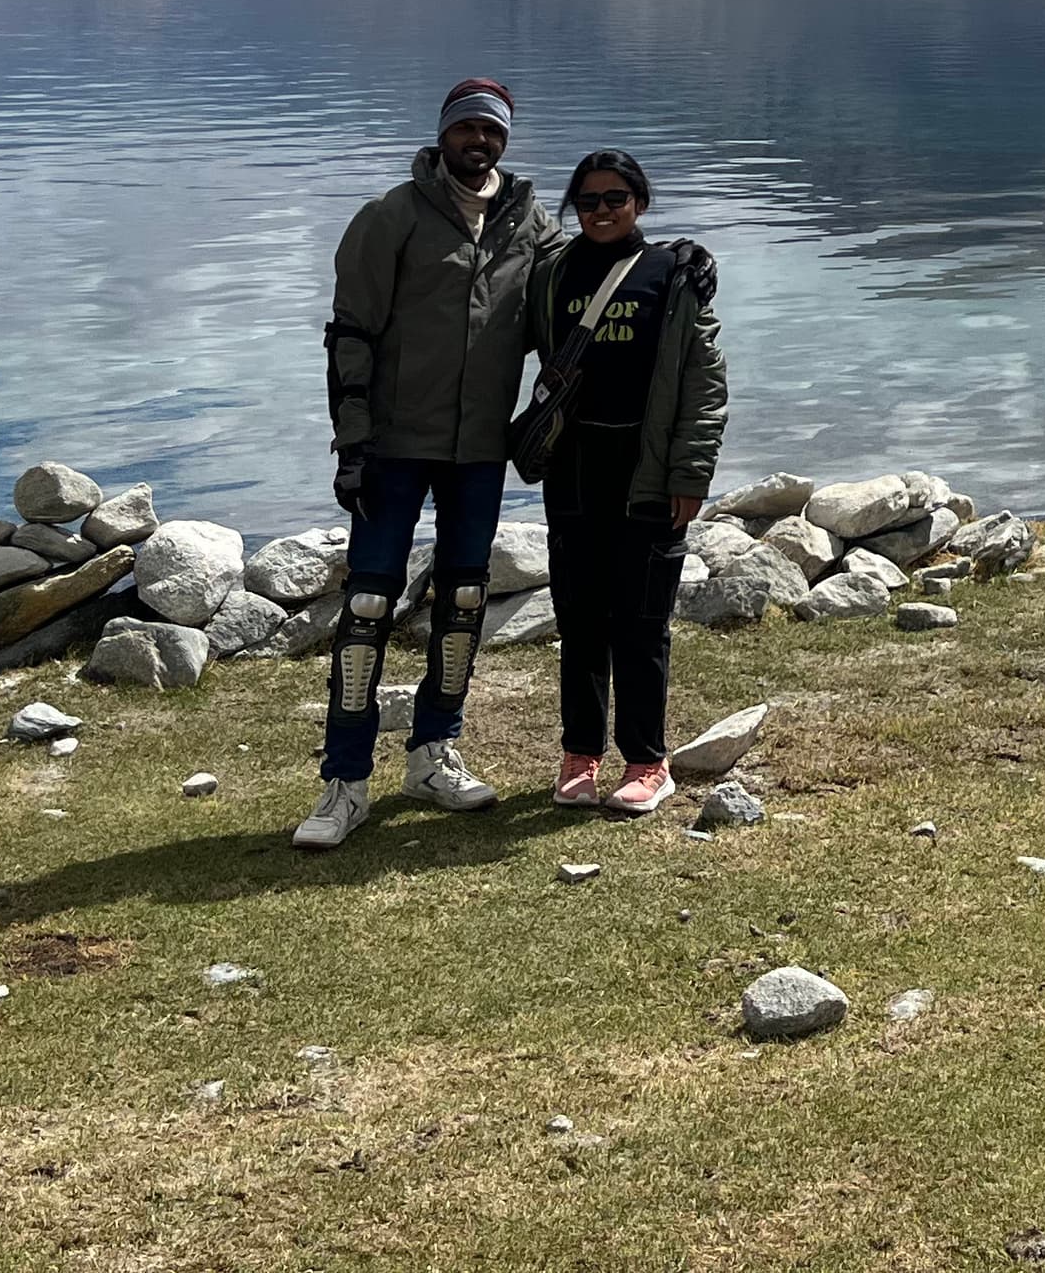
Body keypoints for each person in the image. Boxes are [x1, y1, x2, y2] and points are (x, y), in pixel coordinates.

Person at [295, 77, 555, 851]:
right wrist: (352, 442)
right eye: (469, 129)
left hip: (479, 449)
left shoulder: (530, 224)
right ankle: (344, 781)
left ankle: (433, 754)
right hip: (393, 447)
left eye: (494, 133)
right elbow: (350, 335)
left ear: (506, 141)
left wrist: (667, 272)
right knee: (369, 607)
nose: (481, 142)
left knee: (466, 599)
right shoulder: (390, 218)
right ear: (443, 134)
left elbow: (579, 298)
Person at [522, 148, 724, 816]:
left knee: (642, 623)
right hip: (573, 472)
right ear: (572, 209)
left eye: (615, 198)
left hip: (647, 473)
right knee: (580, 620)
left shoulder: (673, 272)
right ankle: (580, 754)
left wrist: (690, 472)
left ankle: (646, 761)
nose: (602, 210)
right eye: (588, 201)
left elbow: (704, 384)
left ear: (640, 200)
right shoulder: (551, 273)